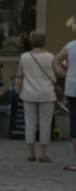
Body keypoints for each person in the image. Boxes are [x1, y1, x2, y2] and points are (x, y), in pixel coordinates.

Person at [15, 31, 58, 163]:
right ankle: (43, 153)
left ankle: (31, 153)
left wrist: (17, 90)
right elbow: (57, 73)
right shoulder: (50, 57)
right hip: (47, 93)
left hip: (29, 93)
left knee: (30, 122)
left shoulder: (24, 57)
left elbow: (19, 75)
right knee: (45, 123)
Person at [54, 16, 76, 171]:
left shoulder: (71, 46)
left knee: (75, 123)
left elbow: (55, 61)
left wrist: (63, 72)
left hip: (73, 86)